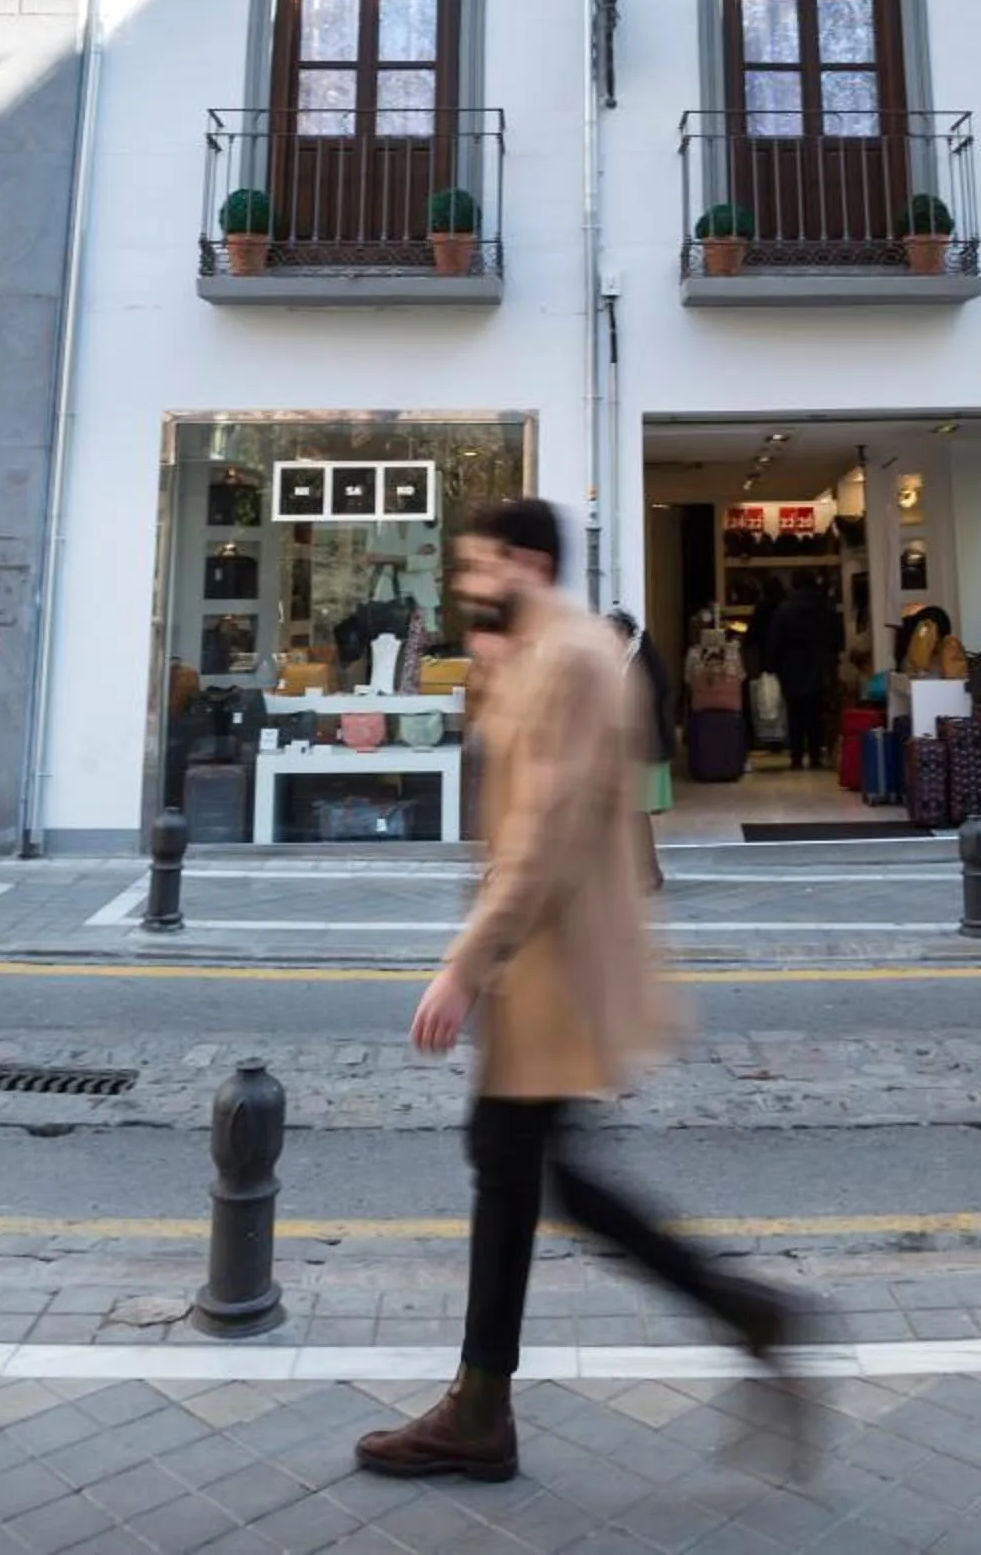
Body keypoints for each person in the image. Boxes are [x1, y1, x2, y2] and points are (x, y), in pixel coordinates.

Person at [356, 498, 800, 1485]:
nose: (468, 585)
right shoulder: (552, 650)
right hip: (549, 961)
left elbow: (544, 833)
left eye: (478, 566)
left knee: (531, 1172)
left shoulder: (565, 657)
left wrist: (464, 966)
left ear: (522, 560)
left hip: (548, 965)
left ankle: (735, 1317)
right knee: (520, 1171)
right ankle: (483, 1405)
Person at [608, 605, 674, 891]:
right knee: (634, 813)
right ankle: (643, 873)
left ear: (622, 632)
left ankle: (647, 874)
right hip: (640, 748)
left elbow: (640, 704)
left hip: (641, 749)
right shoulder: (636, 655)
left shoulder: (637, 659)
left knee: (635, 813)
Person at [769, 576, 843, 772]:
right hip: (818, 666)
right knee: (815, 714)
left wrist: (776, 667)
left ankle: (796, 757)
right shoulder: (825, 609)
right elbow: (837, 639)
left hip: (791, 667)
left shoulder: (784, 610)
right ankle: (816, 755)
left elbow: (775, 643)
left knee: (795, 714)